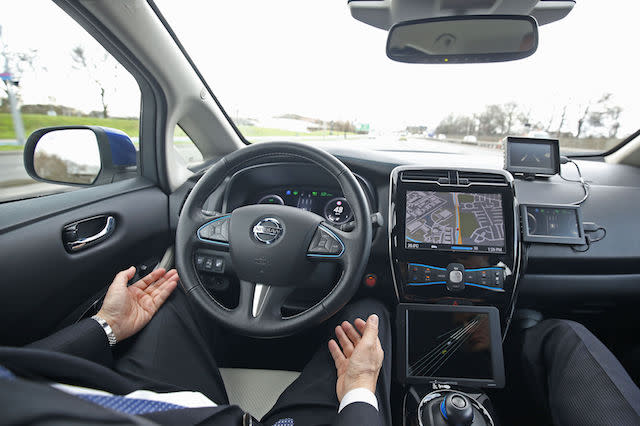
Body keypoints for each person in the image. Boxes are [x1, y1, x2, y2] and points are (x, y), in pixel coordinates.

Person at [0, 267, 392, 426]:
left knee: (178, 294)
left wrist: (107, 326)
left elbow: (18, 373)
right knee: (370, 311)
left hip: (130, 399)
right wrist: (358, 386)